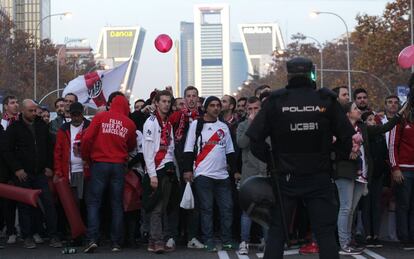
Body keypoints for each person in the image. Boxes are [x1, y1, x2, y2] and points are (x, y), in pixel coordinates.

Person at [246, 57, 355, 259]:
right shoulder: (325, 100)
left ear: (288, 76)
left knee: (277, 232)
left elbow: (254, 140)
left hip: (285, 177)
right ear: (311, 74)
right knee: (325, 233)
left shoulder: (276, 101)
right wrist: (332, 159)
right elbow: (346, 138)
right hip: (319, 175)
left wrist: (273, 163)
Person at [335, 101, 404, 255]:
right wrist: (348, 153)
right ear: (347, 114)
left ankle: (348, 239)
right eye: (355, 109)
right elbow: (332, 149)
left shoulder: (363, 127)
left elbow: (384, 128)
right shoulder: (339, 128)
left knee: (351, 209)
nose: (359, 111)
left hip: (362, 174)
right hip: (345, 172)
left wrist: (399, 114)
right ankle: (343, 243)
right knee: (345, 208)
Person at [4, 99, 62, 249]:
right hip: (23, 174)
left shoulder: (41, 125)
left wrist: (49, 166)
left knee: (48, 203)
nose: (34, 113)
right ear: (23, 111)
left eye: (35, 110)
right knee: (25, 206)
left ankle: (53, 235)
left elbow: (49, 147)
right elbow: (7, 150)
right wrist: (17, 169)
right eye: (31, 110)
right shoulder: (14, 128)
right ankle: (27, 236)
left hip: (41, 172)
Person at [81, 95, 137, 253]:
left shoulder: (100, 117)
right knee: (116, 204)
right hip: (118, 166)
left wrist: (86, 157)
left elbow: (87, 139)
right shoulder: (129, 123)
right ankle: (116, 242)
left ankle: (92, 238)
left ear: (111, 105)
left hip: (99, 164)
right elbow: (131, 145)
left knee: (94, 202)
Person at [183, 96, 237, 252]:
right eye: (212, 105)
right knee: (207, 209)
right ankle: (208, 240)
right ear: (206, 108)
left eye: (218, 105)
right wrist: (187, 170)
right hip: (203, 174)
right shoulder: (196, 125)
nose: (216, 108)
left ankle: (226, 239)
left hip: (222, 176)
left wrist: (232, 170)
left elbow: (230, 150)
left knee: (227, 208)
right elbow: (188, 148)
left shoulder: (224, 126)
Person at [168, 86, 204, 249]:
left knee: (194, 202)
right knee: (176, 202)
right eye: (188, 96)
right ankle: (173, 236)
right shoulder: (176, 117)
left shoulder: (203, 117)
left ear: (197, 98)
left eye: (194, 96)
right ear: (184, 98)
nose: (191, 99)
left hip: (198, 164)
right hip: (178, 163)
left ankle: (192, 237)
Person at [142, 90, 178, 254]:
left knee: (163, 206)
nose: (166, 104)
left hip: (167, 168)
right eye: (163, 101)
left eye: (168, 101)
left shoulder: (168, 124)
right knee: (156, 208)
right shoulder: (151, 122)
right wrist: (152, 175)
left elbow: (170, 147)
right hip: (156, 169)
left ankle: (152, 240)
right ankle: (157, 240)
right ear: (156, 103)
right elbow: (148, 152)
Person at [236, 96, 268, 255]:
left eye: (256, 109)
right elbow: (242, 143)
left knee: (267, 209)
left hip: (266, 173)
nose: (253, 112)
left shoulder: (268, 125)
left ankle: (268, 242)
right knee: (247, 210)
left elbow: (271, 146)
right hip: (249, 173)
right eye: (250, 109)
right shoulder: (243, 125)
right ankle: (244, 241)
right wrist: (251, 124)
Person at [389, 77, 414, 250]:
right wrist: (395, 168)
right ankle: (404, 237)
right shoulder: (402, 115)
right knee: (404, 204)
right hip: (404, 169)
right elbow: (392, 144)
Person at [54, 102, 91, 216]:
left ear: (82, 114)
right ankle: (74, 228)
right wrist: (58, 171)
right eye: (73, 114)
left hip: (86, 170)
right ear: (69, 114)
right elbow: (58, 152)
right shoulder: (63, 129)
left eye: (78, 114)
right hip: (69, 171)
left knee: (86, 201)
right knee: (71, 202)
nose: (75, 117)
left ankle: (86, 228)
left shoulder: (90, 126)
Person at [0, 95, 19, 245]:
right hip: (4, 170)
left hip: (21, 168)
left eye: (17, 102)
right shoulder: (2, 124)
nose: (16, 105)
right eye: (12, 103)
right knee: (7, 202)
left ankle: (29, 231)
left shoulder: (21, 122)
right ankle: (10, 230)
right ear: (6, 106)